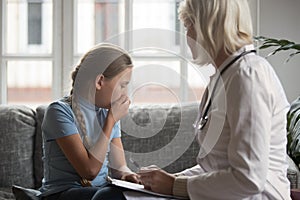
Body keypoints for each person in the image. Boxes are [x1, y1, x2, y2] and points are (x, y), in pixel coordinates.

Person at [138, 0, 291, 199]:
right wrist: (164, 180)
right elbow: (215, 168)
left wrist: (174, 185)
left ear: (207, 26)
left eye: (188, 26)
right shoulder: (225, 76)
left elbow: (249, 178)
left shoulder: (247, 76)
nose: (187, 36)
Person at [39, 43, 139, 200]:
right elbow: (89, 171)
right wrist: (111, 120)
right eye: (122, 85)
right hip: (62, 193)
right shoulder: (59, 112)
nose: (125, 93)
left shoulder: (108, 112)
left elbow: (119, 166)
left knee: (125, 194)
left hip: (98, 192)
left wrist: (130, 176)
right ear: (99, 81)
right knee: (110, 195)